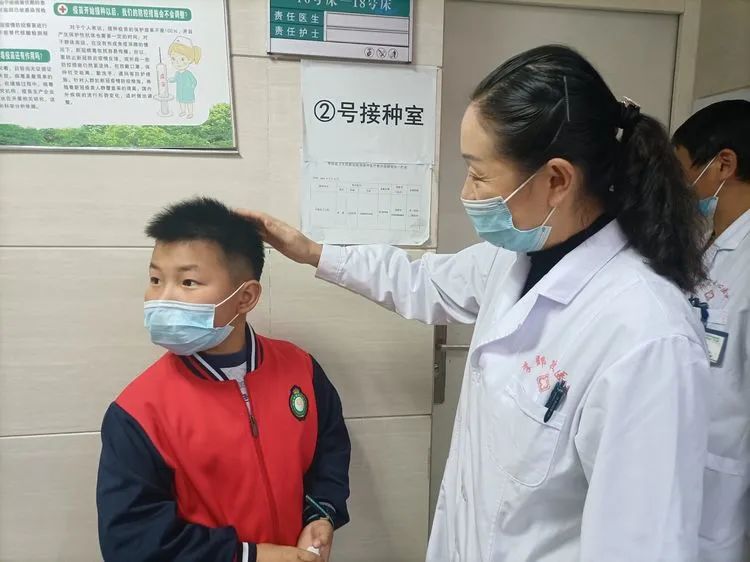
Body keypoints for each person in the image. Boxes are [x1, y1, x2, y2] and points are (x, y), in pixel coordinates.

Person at [241, 45, 711, 561]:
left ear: (556, 180)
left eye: (480, 174)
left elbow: (641, 545)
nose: (467, 191)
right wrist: (313, 252)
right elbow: (420, 281)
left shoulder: (647, 338)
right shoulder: (516, 258)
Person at [96, 198, 350, 562]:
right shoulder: (138, 412)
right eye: (155, 279)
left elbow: (331, 448)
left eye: (187, 282)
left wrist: (321, 513)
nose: (162, 298)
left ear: (245, 297)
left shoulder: (301, 369)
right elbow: (132, 541)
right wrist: (248, 556)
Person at [673, 100, 750, 562]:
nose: (679, 184)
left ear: (724, 164)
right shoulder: (703, 242)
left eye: (683, 169)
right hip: (678, 471)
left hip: (722, 492)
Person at [168, 36, 200, 119]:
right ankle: (183, 111)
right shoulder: (177, 73)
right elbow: (175, 79)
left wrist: (191, 87)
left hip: (188, 91)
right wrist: (169, 80)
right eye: (173, 59)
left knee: (189, 102)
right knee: (181, 102)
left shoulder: (188, 73)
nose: (177, 62)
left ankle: (190, 113)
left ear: (189, 60)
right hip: (180, 91)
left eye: (182, 59)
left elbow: (194, 81)